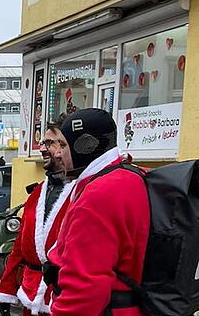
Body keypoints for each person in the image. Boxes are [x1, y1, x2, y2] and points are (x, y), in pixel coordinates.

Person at [45, 109, 148, 315]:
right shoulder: (132, 174)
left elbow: (85, 287)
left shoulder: (97, 196)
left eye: (63, 146)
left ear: (85, 146)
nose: (57, 153)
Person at [0, 121, 74, 316]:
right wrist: (6, 289)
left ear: (68, 147)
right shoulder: (38, 193)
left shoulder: (82, 192)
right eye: (43, 143)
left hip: (63, 297)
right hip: (31, 294)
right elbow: (20, 246)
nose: (42, 148)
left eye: (51, 143)